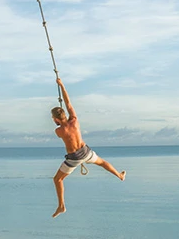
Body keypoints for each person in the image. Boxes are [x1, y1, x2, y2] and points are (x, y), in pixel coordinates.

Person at [51, 78, 124, 217]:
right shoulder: (75, 120)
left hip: (74, 158)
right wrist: (61, 85)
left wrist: (60, 120)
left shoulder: (59, 131)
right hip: (85, 152)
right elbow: (68, 103)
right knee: (102, 162)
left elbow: (62, 127)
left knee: (57, 180)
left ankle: (61, 206)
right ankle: (120, 175)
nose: (53, 120)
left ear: (56, 119)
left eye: (53, 118)